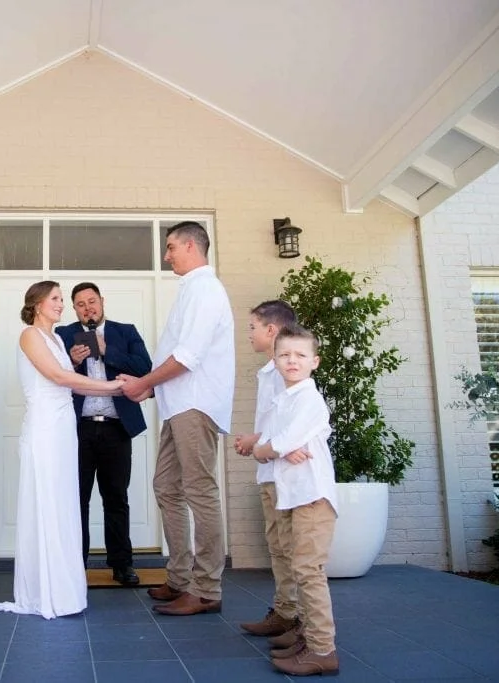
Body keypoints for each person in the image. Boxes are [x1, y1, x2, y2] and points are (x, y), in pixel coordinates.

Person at [120, 221, 235, 616]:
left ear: (190, 245)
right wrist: (147, 387)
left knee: (200, 491)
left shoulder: (206, 289)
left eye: (170, 247)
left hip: (196, 404)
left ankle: (206, 589)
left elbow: (188, 356)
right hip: (175, 404)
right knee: (166, 487)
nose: (166, 255)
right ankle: (180, 577)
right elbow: (177, 354)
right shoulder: (190, 291)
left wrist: (143, 384)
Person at [0, 281, 124, 619]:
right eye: (56, 299)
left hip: (65, 429)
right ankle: (45, 591)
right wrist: (110, 386)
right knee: (48, 502)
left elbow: (67, 375)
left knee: (65, 503)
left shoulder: (57, 339)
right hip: (45, 429)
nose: (62, 305)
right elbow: (58, 378)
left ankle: (65, 589)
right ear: (37, 303)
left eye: (62, 300)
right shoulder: (30, 335)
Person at [251, 325, 339, 676]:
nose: (292, 360)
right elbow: (280, 443)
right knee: (297, 565)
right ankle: (306, 634)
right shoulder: (285, 398)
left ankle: (323, 649)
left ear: (314, 362)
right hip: (293, 495)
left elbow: (274, 445)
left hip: (312, 496)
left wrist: (267, 449)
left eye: (300, 355)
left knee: (308, 571)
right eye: (285, 354)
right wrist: (277, 448)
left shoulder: (308, 399)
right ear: (274, 359)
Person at [55, 282, 152, 586]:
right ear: (74, 309)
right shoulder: (62, 335)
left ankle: (122, 565)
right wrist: (71, 360)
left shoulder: (126, 331)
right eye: (81, 304)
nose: (88, 308)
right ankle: (76, 565)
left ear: (102, 302)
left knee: (116, 498)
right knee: (76, 499)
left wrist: (108, 349)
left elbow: (144, 368)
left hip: (116, 427)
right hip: (78, 430)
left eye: (92, 301)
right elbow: (51, 376)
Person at [233, 300, 304, 645]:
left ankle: (299, 621)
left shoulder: (283, 373)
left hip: (283, 475)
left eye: (252, 327)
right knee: (277, 546)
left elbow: (291, 426)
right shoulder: (269, 372)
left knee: (289, 547)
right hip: (269, 473)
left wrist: (254, 440)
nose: (249, 334)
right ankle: (284, 612)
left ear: (271, 330)